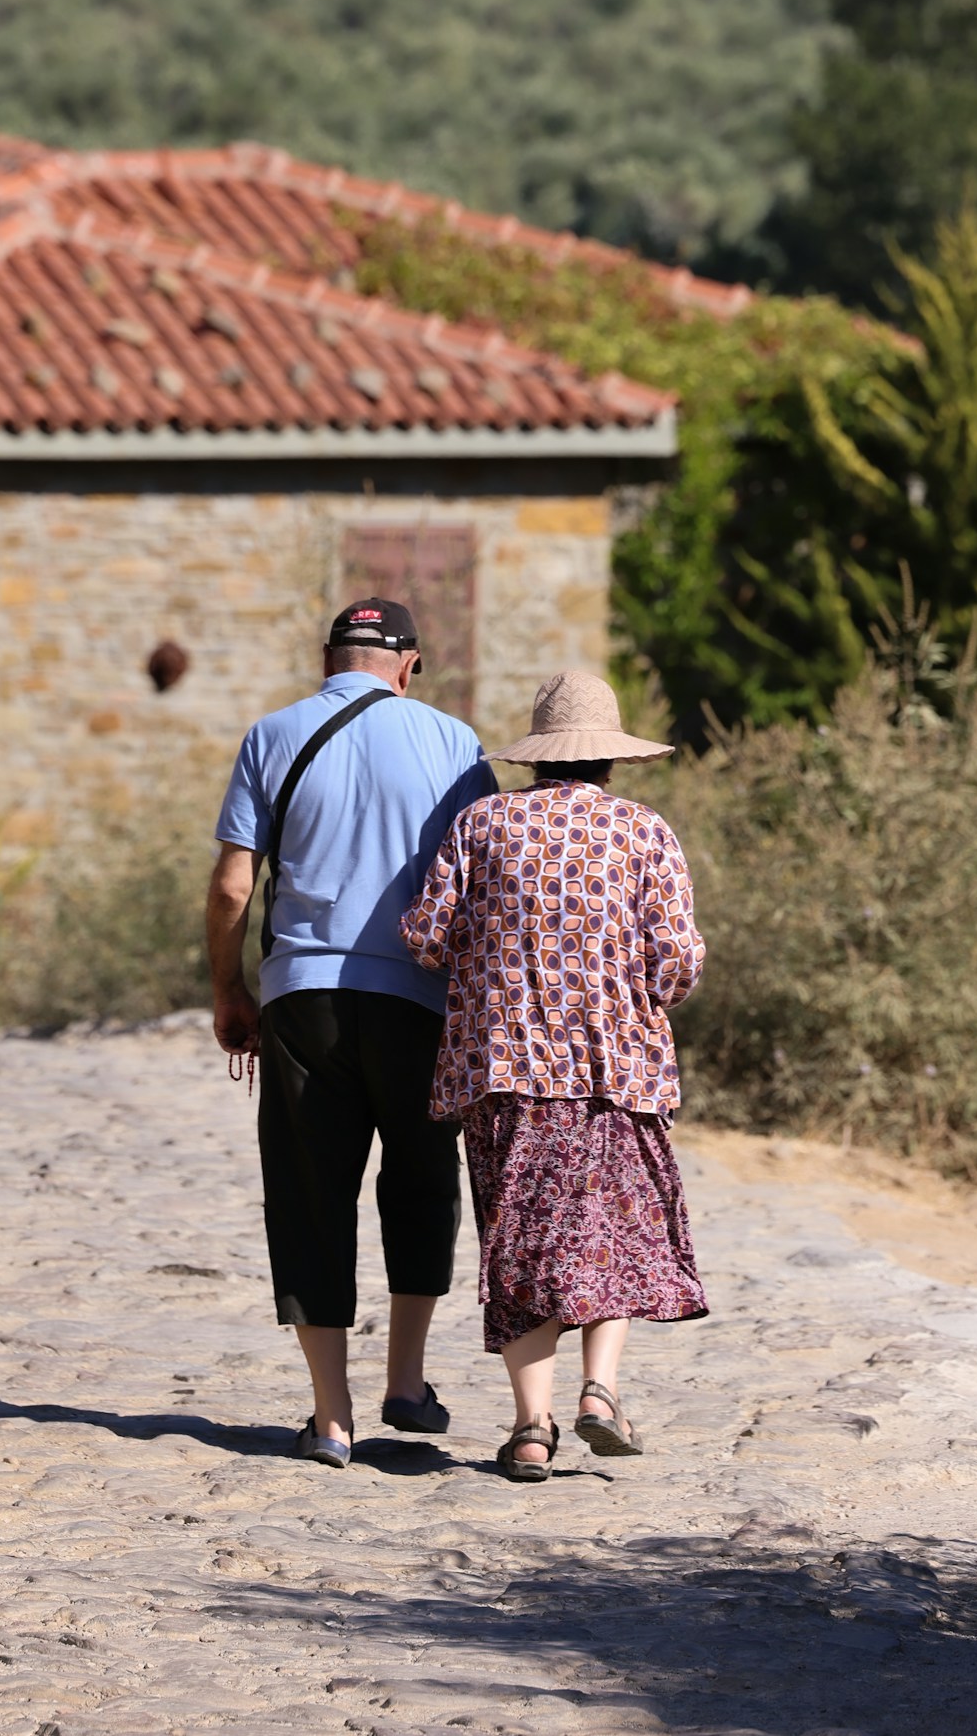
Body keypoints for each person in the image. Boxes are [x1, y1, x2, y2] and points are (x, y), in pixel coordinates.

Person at [399, 668, 707, 1484]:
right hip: (617, 1071)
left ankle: (531, 1428)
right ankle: (600, 1391)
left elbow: (426, 937)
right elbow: (675, 963)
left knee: (520, 1244)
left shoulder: (482, 825)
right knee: (610, 1235)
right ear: (611, 760)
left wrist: (490, 961)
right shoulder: (644, 833)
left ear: (539, 755)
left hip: (506, 1071)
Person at [207, 595, 494, 1466]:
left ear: (326, 657)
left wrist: (230, 991)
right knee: (421, 1179)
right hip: (418, 1000)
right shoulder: (454, 743)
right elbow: (483, 885)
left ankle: (331, 1417)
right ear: (407, 664)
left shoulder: (271, 733)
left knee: (308, 1193)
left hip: (303, 997)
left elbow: (231, 887)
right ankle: (405, 1379)